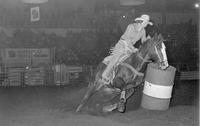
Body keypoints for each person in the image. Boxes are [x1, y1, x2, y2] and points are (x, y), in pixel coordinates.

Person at [102, 14, 153, 84]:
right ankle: (105, 74)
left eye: (147, 23)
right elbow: (127, 39)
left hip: (130, 47)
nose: (146, 25)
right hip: (122, 44)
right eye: (145, 23)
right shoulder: (131, 27)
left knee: (135, 59)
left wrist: (148, 40)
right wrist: (133, 48)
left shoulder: (143, 31)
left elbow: (143, 41)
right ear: (141, 22)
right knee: (116, 58)